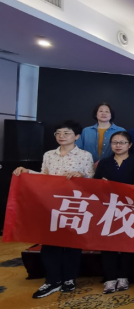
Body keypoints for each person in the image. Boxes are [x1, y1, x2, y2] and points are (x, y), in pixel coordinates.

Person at [14, 120, 94, 299]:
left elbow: (91, 179)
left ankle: (69, 279)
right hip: (51, 205)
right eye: (58, 133)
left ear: (77, 136)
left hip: (73, 205)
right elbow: (44, 177)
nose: (61, 136)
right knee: (50, 243)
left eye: (66, 133)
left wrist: (82, 176)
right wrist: (27, 172)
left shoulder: (85, 155)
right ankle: (52, 280)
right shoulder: (49, 155)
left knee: (72, 244)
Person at [94, 131, 134, 294]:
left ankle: (123, 276)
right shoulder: (104, 163)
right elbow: (94, 185)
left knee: (127, 242)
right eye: (115, 142)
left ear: (130, 145)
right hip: (108, 208)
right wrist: (101, 184)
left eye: (122, 142)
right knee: (108, 243)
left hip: (131, 209)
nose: (118, 145)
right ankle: (110, 278)